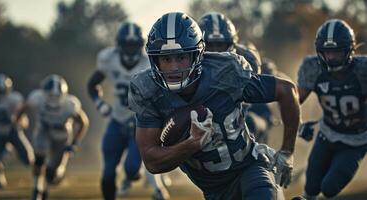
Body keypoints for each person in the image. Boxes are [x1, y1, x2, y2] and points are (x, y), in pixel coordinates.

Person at [128, 12, 300, 200]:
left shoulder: (225, 72)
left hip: (248, 167)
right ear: (155, 61)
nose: (175, 68)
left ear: (197, 54)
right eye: (167, 59)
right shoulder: (148, 90)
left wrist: (287, 152)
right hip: (214, 191)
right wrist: (190, 145)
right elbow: (152, 161)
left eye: (181, 57)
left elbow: (287, 90)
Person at [87, 21, 169, 200]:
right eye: (127, 45)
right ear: (119, 44)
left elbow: (163, 92)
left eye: (135, 45)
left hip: (140, 124)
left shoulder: (149, 62)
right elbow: (92, 84)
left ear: (141, 45)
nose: (131, 50)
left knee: (132, 169)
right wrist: (99, 103)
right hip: (117, 120)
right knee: (108, 172)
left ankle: (133, 176)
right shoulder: (109, 59)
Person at [296, 19, 367, 200]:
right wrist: (299, 124)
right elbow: (294, 101)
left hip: (356, 140)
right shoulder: (313, 68)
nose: (332, 57)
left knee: (329, 188)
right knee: (311, 186)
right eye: (327, 52)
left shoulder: (362, 70)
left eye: (337, 52)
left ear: (349, 50)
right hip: (327, 134)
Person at [198, 12, 280, 144]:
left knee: (248, 122)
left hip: (249, 112)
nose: (215, 52)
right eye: (210, 45)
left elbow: (279, 84)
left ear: (232, 44)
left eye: (220, 45)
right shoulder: (191, 62)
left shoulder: (247, 59)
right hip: (212, 117)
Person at [15, 74, 89, 200]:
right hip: (44, 129)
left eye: (56, 96)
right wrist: (18, 121)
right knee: (39, 159)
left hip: (62, 133)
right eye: (50, 96)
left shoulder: (70, 104)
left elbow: (83, 122)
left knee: (52, 173)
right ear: (43, 92)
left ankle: (45, 186)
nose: (53, 99)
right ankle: (36, 188)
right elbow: (23, 108)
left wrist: (75, 141)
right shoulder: (37, 97)